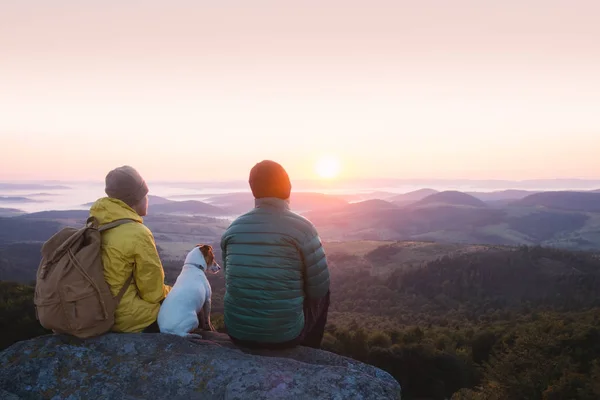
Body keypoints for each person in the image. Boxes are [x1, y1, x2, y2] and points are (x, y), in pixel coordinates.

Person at [221, 160, 331, 349]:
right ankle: (309, 349)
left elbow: (231, 278)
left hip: (237, 333)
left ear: (253, 189)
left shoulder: (233, 229)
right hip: (285, 337)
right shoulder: (304, 228)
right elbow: (318, 291)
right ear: (288, 187)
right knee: (324, 289)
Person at [89, 165, 171, 333]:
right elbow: (153, 293)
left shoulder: (97, 222)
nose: (148, 199)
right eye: (145, 194)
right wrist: (175, 291)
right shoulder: (137, 233)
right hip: (126, 319)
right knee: (187, 303)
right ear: (136, 199)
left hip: (96, 311)